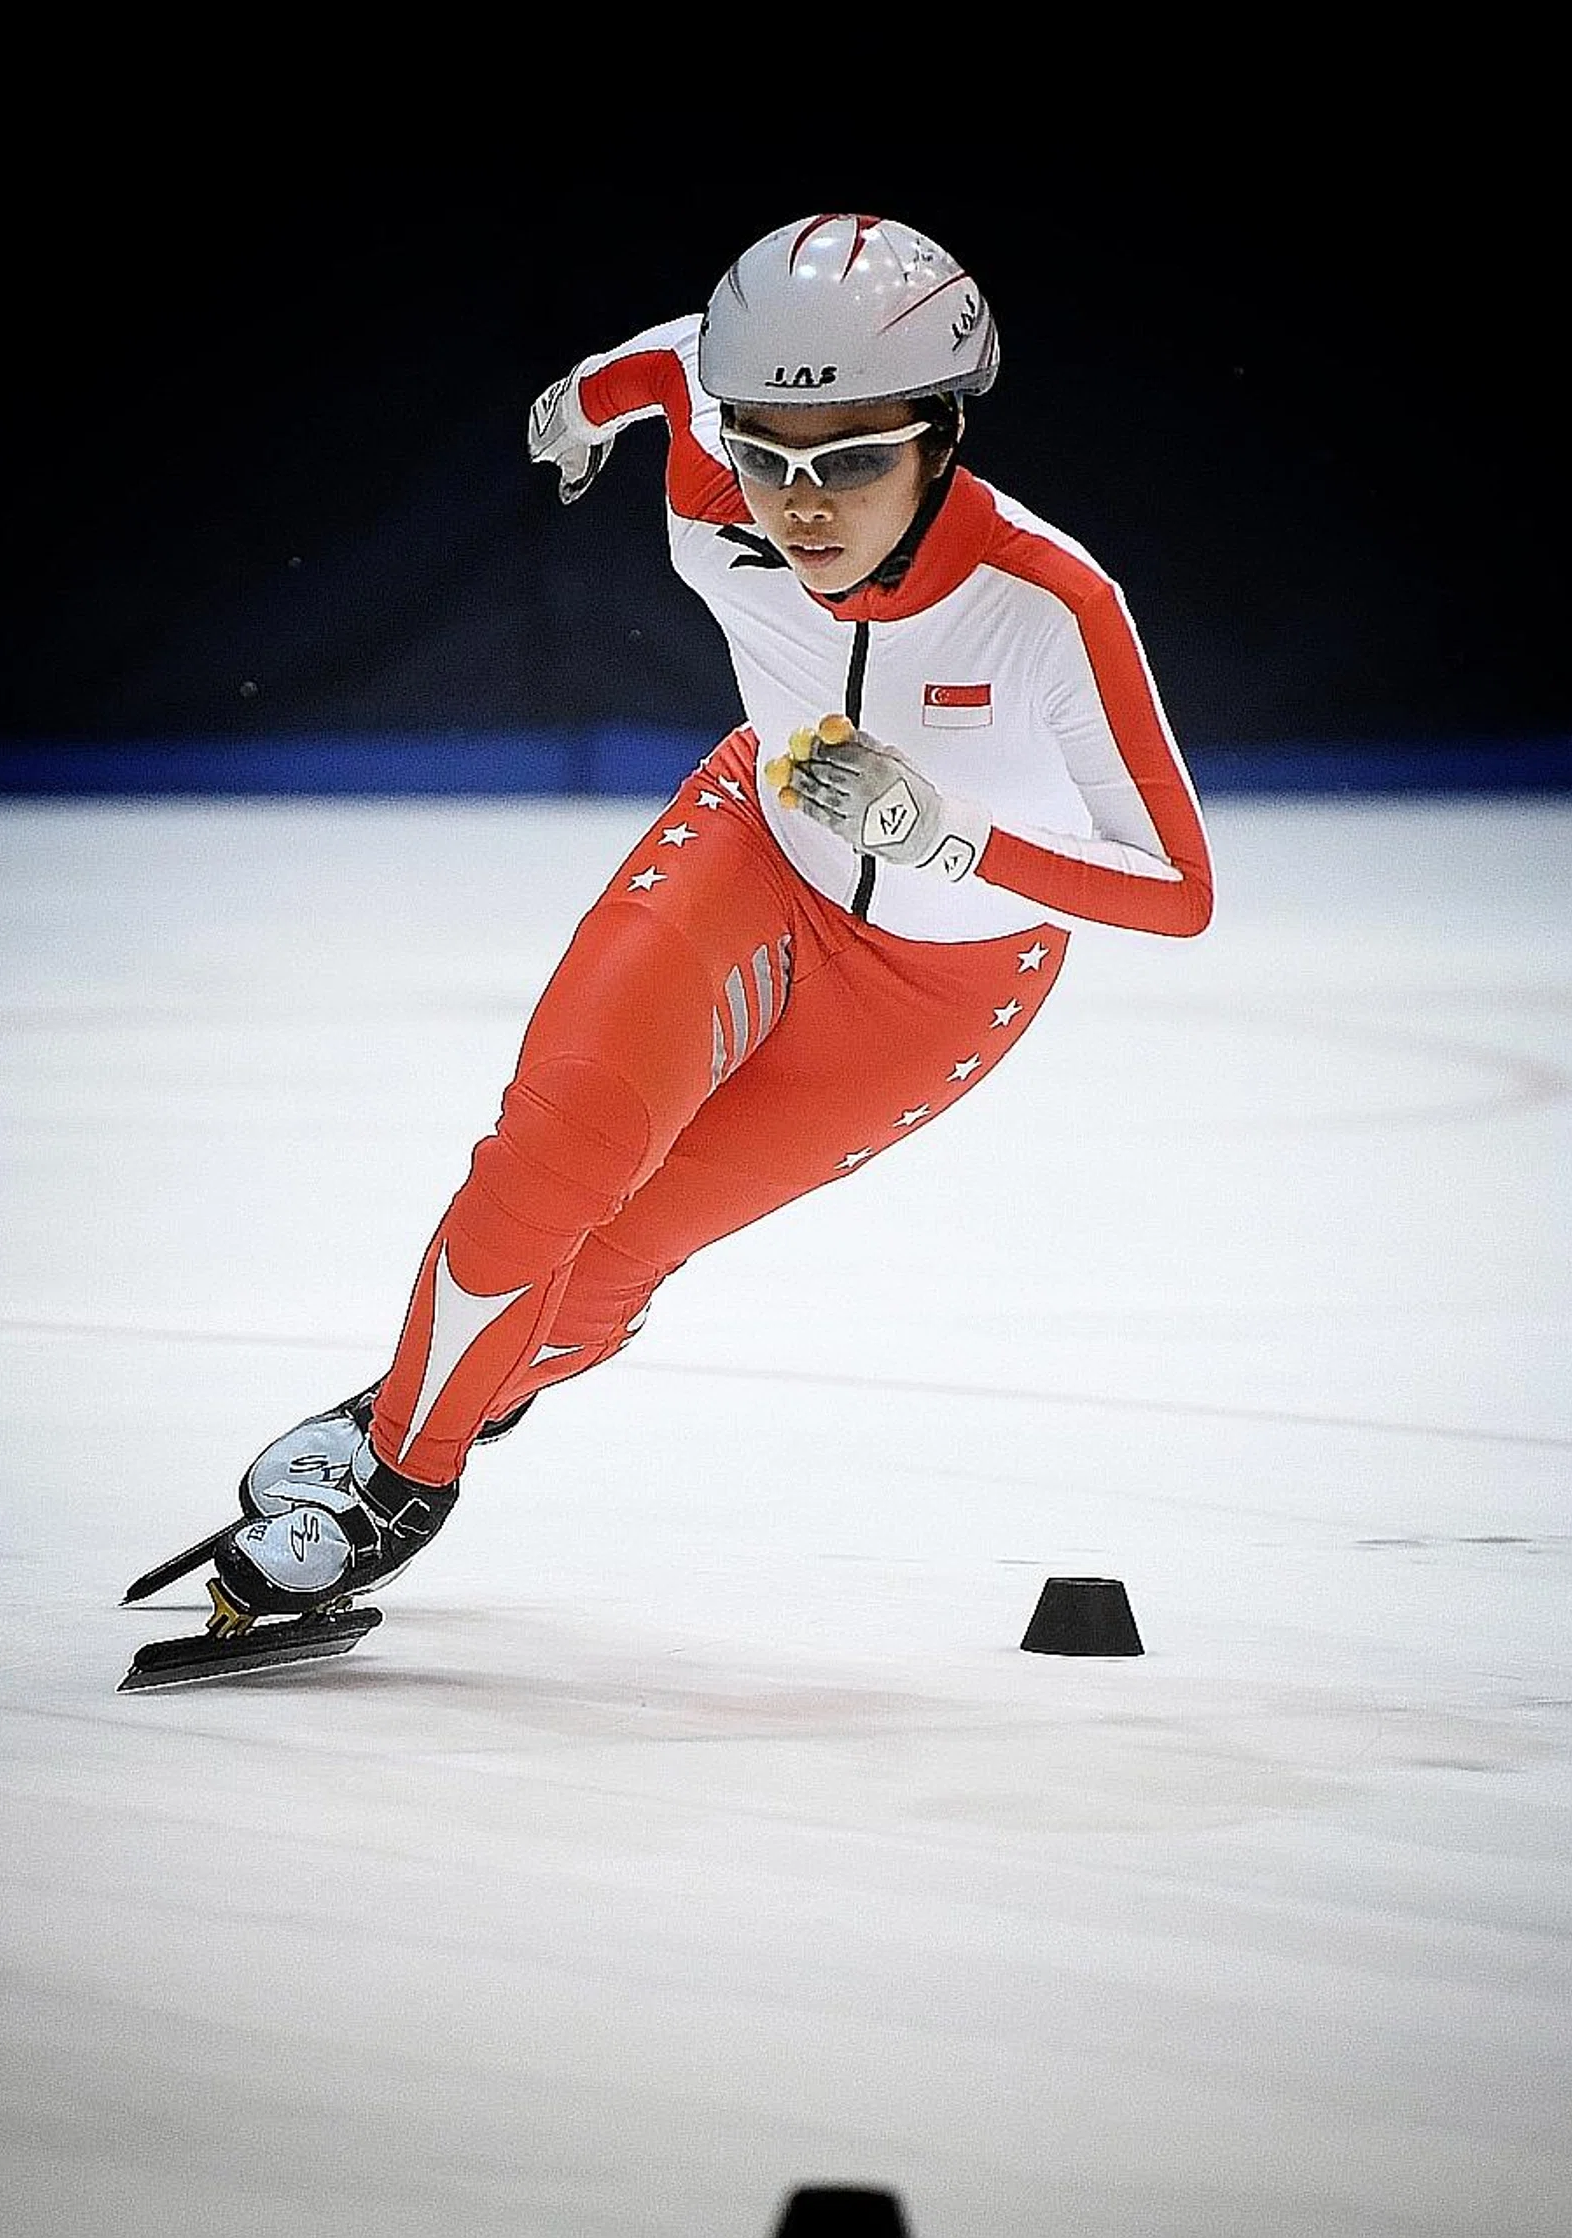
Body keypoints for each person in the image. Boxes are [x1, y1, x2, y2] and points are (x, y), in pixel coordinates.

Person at [149, 211, 1215, 1638]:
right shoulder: (720, 481)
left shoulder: (1052, 605)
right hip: (755, 847)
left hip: (943, 984)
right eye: (771, 457)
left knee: (610, 1262)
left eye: (853, 461)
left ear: (944, 436)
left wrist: (955, 839)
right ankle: (402, 1475)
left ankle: (434, 1391)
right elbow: (671, 367)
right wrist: (577, 405)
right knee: (557, 1149)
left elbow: (1177, 888)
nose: (802, 505)